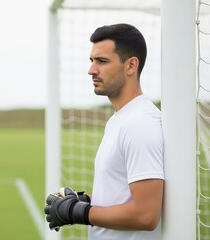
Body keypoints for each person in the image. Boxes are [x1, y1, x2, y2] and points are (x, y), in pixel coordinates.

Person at [44, 23, 165, 240]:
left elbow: (146, 215)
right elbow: (123, 196)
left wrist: (78, 212)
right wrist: (85, 202)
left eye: (102, 61)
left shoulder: (140, 124)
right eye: (92, 61)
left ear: (131, 66)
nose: (91, 70)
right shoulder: (121, 119)